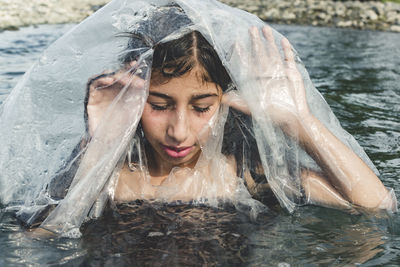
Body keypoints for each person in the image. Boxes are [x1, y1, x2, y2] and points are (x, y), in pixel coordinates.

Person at [8, 2, 395, 236]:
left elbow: (376, 207)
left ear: (225, 101)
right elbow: (37, 241)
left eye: (201, 107)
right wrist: (99, 149)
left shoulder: (248, 174)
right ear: (133, 95)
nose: (179, 131)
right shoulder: (109, 180)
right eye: (158, 105)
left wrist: (298, 122)